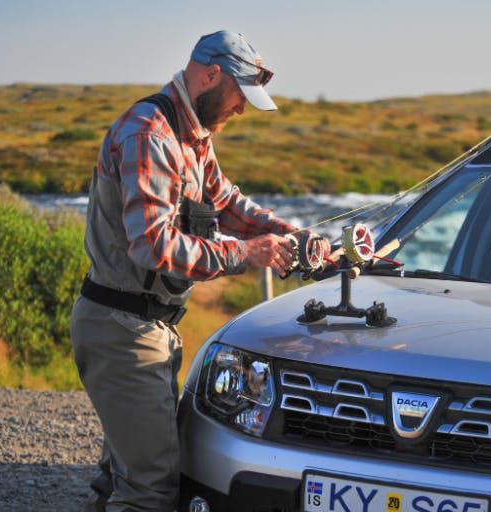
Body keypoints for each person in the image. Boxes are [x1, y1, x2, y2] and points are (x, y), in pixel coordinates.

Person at [70, 30, 319, 511]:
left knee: (117, 479)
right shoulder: (150, 135)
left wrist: (293, 238)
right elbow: (153, 246)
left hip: (146, 327)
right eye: (238, 96)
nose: (242, 110)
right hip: (122, 330)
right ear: (210, 75)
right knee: (149, 491)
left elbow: (226, 204)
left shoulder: (193, 137)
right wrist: (246, 254)